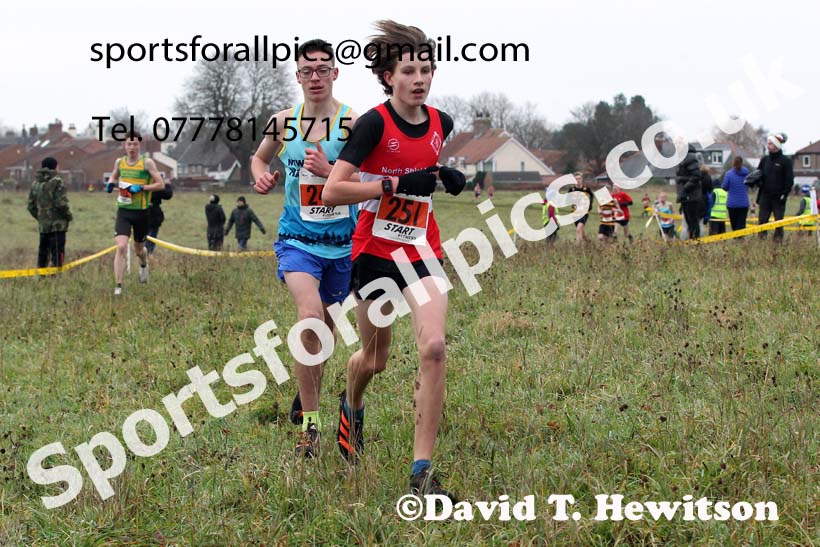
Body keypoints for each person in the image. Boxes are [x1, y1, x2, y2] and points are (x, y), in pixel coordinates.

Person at [322, 20, 463, 499]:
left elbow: (426, 164)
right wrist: (393, 185)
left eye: (426, 69)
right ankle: (351, 404)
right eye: (409, 70)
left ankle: (421, 471)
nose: (419, 79)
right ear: (388, 76)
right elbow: (333, 190)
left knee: (434, 348)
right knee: (376, 359)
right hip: (375, 252)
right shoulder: (373, 125)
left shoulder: (443, 122)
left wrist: (445, 175)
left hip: (423, 249)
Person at [251, 38, 359, 458]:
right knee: (310, 318)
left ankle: (305, 393)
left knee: (324, 334)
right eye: (307, 70)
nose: (315, 76)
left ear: (335, 73)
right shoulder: (282, 122)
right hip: (296, 239)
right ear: (297, 77)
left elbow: (366, 183)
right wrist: (262, 176)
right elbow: (259, 158)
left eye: (323, 68)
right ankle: (311, 430)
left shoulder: (354, 123)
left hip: (342, 243)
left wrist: (331, 172)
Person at [105, 132, 166, 295]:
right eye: (129, 144)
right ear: (124, 146)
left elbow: (161, 185)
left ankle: (144, 265)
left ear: (140, 146)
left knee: (139, 250)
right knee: (121, 246)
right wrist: (110, 184)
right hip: (124, 211)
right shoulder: (120, 162)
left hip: (142, 213)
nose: (132, 147)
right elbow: (113, 176)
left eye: (135, 144)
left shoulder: (147, 163)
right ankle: (118, 286)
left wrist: (142, 188)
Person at [27, 157, 72, 268]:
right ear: (55, 166)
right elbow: (61, 203)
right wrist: (68, 216)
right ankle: (56, 276)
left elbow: (30, 206)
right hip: (58, 226)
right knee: (57, 252)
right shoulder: (57, 181)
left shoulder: (36, 183)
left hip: (43, 226)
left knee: (43, 253)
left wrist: (41, 217)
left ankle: (42, 277)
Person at [755, 132, 794, 241]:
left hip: (778, 198)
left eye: (770, 143)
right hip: (765, 197)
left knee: (778, 222)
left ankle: (777, 242)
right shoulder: (765, 160)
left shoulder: (786, 161)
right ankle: (761, 241)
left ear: (777, 145)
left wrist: (784, 194)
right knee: (762, 220)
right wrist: (755, 181)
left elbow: (789, 180)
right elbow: (758, 174)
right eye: (768, 143)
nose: (768, 146)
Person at [675, 143, 703, 240]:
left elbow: (696, 176)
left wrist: (685, 188)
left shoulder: (690, 158)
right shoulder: (682, 158)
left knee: (693, 221)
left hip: (691, 195)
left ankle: (695, 241)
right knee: (689, 221)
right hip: (686, 196)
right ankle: (692, 240)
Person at [145, 178, 173, 255]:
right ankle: (148, 253)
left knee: (144, 236)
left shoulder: (140, 184)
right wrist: (167, 184)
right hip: (153, 215)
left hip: (141, 213)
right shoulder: (156, 187)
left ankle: (145, 252)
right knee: (151, 236)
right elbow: (168, 194)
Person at [722, 156, 750, 231]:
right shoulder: (747, 173)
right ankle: (741, 239)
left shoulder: (729, 174)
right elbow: (750, 184)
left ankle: (736, 238)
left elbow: (724, 187)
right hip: (744, 202)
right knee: (742, 223)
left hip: (732, 203)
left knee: (734, 224)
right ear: (742, 163)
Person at [569, 172, 593, 243]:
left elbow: (592, 195)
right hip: (575, 213)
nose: (577, 180)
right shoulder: (572, 189)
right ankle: (588, 241)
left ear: (582, 179)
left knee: (578, 229)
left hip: (584, 212)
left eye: (579, 179)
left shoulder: (586, 188)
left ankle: (578, 246)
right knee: (580, 230)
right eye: (576, 179)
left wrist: (590, 204)